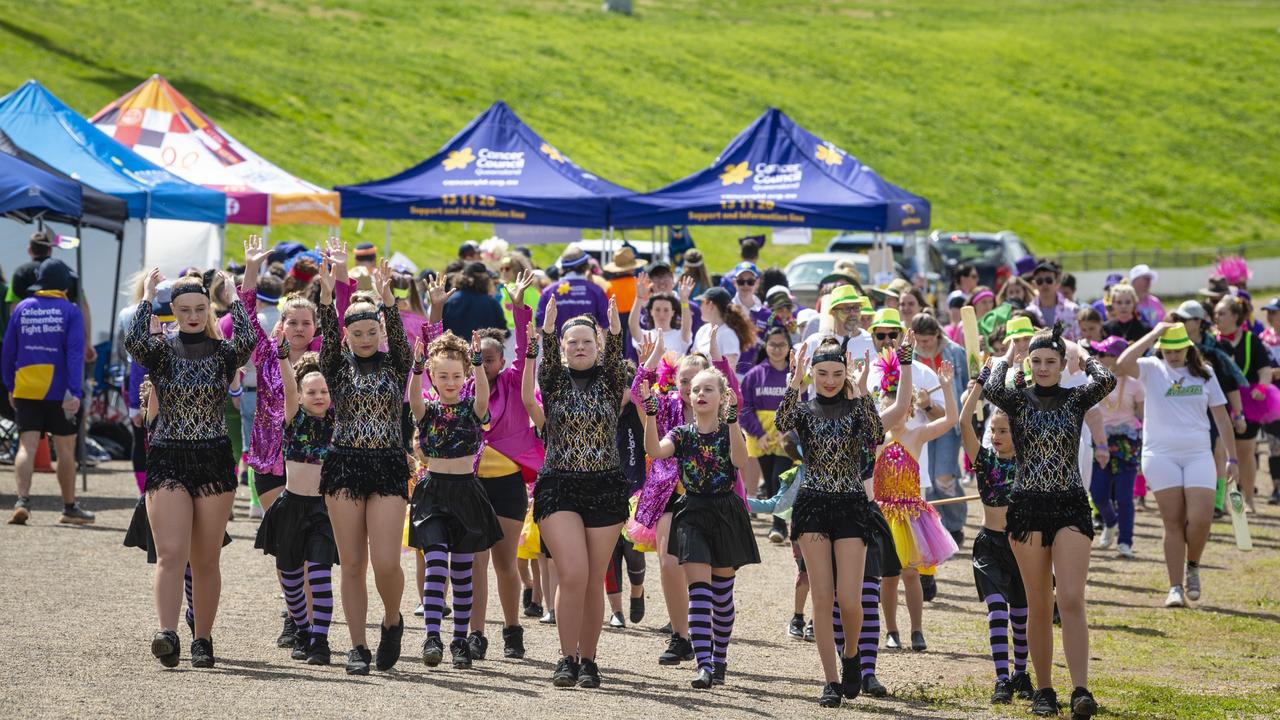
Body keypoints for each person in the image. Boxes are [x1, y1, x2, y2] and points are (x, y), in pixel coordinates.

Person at [126, 256, 256, 668]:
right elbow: (134, 343)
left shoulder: (223, 352)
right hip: (167, 457)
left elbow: (250, 338)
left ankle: (202, 638)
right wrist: (147, 299)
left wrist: (234, 296)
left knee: (205, 558)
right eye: (185, 310)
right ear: (174, 312)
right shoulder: (161, 351)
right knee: (170, 552)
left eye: (200, 309)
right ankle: (166, 633)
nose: (194, 316)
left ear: (209, 310)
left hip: (213, 458)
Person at [982, 324, 1115, 718]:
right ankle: (1044, 690)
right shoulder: (1017, 401)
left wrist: (1080, 351)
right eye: (1036, 361)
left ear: (1062, 365)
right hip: (1026, 509)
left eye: (1050, 362)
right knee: (1038, 602)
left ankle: (1080, 690)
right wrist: (1009, 355)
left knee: (1071, 598)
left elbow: (1105, 378)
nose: (1042, 368)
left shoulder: (1075, 399)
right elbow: (990, 386)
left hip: (1070, 505)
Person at [775, 336, 912, 707]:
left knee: (850, 600)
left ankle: (852, 655)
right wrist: (795, 379)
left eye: (837, 373)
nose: (829, 380)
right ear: (814, 374)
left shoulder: (856, 408)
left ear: (845, 373)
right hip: (814, 508)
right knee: (822, 599)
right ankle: (830, 681)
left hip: (852, 506)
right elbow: (781, 422)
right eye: (822, 373)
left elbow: (875, 434)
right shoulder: (803, 409)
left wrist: (864, 388)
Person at [316, 258, 412, 676]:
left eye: (372, 332)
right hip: (344, 465)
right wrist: (326, 296)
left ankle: (392, 619)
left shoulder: (396, 362)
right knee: (352, 562)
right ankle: (356, 645)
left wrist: (387, 298)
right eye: (358, 333)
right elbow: (325, 341)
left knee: (387, 562)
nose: (366, 338)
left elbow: (406, 347)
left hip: (389, 464)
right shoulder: (336, 365)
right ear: (346, 336)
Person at [639, 367, 759, 689]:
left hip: (724, 512)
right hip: (692, 511)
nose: (701, 394)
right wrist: (650, 413)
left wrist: (733, 422)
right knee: (700, 593)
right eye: (696, 390)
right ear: (689, 397)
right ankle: (703, 665)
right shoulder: (681, 433)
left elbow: (739, 461)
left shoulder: (730, 429)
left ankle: (719, 660)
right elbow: (655, 450)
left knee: (722, 597)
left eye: (709, 390)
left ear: (722, 398)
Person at [532, 294, 630, 688]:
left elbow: (618, 355)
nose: (580, 347)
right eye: (572, 342)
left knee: (593, 579)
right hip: (559, 486)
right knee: (572, 572)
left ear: (599, 345)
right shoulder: (554, 381)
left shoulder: (611, 380)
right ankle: (565, 657)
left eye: (587, 341)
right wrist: (549, 327)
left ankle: (588, 660)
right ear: (563, 348)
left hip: (605, 487)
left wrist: (617, 328)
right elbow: (546, 363)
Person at [631, 328, 742, 667]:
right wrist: (648, 363)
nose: (691, 388)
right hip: (668, 492)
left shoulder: (724, 418)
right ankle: (681, 636)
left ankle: (707, 639)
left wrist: (717, 355)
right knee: (667, 562)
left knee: (714, 579)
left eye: (699, 382)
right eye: (684, 381)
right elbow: (639, 395)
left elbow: (739, 451)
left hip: (713, 500)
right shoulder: (665, 409)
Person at [1117, 323, 1237, 607]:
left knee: (1200, 519)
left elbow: (1221, 418)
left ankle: (1193, 565)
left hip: (1198, 454)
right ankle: (1175, 588)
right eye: (1167, 349)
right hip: (1160, 455)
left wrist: (1232, 458)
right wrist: (1155, 333)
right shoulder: (1150, 368)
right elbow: (1123, 363)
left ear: (1188, 347)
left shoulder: (1205, 374)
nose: (1172, 354)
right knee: (1172, 522)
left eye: (1177, 348)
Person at [407, 329, 503, 670]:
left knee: (463, 573)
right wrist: (417, 367)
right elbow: (414, 398)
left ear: (465, 377)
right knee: (435, 563)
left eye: (456, 375)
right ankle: (432, 636)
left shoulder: (472, 408)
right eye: (443, 375)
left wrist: (477, 362)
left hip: (466, 493)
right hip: (432, 492)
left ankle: (460, 641)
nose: (450, 382)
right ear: (433, 376)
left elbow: (483, 396)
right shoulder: (426, 409)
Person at [466, 271, 543, 660]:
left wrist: (517, 306)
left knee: (505, 563)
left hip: (510, 483)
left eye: (490, 357)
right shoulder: (465, 387)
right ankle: (475, 633)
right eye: (478, 358)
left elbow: (527, 345)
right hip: (473, 486)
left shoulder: (515, 381)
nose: (486, 363)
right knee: (475, 563)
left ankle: (513, 629)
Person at [253, 349, 338, 665]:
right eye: (312, 392)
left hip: (323, 511)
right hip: (290, 507)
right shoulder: (293, 417)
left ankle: (320, 640)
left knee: (319, 574)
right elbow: (288, 387)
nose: (319, 396)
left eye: (324, 391)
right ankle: (302, 629)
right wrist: (283, 358)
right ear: (300, 397)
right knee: (290, 577)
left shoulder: (337, 421)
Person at [872, 351, 959, 653]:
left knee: (911, 573)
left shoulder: (917, 434)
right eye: (888, 405)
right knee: (888, 575)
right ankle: (892, 630)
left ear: (908, 410)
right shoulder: (877, 441)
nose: (894, 410)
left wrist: (946, 387)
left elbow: (950, 420)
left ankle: (917, 630)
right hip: (883, 514)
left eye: (902, 405)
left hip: (909, 513)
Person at [959, 367, 1033, 704]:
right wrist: (978, 386)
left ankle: (1021, 673)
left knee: (1021, 614)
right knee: (997, 610)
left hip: (1024, 546)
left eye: (1004, 430)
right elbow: (963, 425)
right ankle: (1001, 678)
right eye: (993, 430)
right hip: (989, 545)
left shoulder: (1031, 463)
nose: (997, 436)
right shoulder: (985, 461)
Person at [3, 258, 91, 525]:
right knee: (65, 448)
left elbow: (8, 351)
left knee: (26, 446)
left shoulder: (22, 308)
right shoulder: (70, 311)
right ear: (64, 284)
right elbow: (75, 354)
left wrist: (10, 385)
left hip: (27, 386)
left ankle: (22, 501)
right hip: (60, 389)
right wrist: (75, 392)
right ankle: (69, 507)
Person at [911, 314, 970, 544]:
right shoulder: (911, 355)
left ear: (937, 334)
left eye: (927, 341)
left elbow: (966, 381)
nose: (924, 346)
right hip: (920, 423)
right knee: (928, 479)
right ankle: (940, 528)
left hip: (948, 422)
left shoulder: (954, 352)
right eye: (919, 341)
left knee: (943, 478)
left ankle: (955, 525)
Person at [1213, 295, 1275, 512]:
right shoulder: (1212, 341)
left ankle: (1248, 499)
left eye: (1221, 313)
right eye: (1216, 313)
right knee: (1219, 452)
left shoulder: (1251, 340)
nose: (1216, 317)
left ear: (1236, 316)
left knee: (1246, 451)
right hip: (1218, 402)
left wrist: (1261, 387)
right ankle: (1221, 501)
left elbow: (1264, 370)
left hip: (1248, 403)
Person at [1086, 336, 1144, 558]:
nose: (1098, 357)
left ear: (1117, 357)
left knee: (1124, 496)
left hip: (1126, 442)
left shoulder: (1134, 383)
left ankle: (1125, 541)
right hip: (1100, 441)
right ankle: (1110, 521)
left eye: (1103, 354)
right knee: (1098, 493)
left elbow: (1142, 415)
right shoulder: (1093, 381)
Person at [740, 326, 794, 542]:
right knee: (771, 483)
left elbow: (804, 404)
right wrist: (759, 434)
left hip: (786, 439)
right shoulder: (754, 374)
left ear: (789, 346)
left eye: (782, 344)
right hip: (761, 439)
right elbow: (744, 409)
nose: (777, 349)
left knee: (778, 479)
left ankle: (779, 526)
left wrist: (789, 432)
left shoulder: (796, 374)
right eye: (773, 344)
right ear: (766, 346)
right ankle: (778, 524)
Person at [536, 245, 609, 335]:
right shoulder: (596, 291)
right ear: (586, 266)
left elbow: (539, 328)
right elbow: (606, 326)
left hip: (557, 347)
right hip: (587, 347)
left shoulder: (548, 292)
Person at [694, 287, 757, 375]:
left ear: (711, 305)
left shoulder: (728, 335)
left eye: (702, 303)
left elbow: (729, 373)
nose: (699, 307)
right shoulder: (702, 330)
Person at [629, 272, 694, 356]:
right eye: (657, 309)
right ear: (651, 312)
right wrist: (639, 297)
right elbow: (633, 326)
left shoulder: (680, 336)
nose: (661, 314)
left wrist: (684, 300)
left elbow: (687, 326)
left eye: (666, 310)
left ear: (672, 313)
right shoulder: (645, 336)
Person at [442, 262, 506, 341]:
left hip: (455, 350)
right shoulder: (492, 303)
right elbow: (504, 333)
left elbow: (440, 330)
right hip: (483, 351)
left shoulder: (450, 301)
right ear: (485, 280)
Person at [1029, 261, 1079, 340]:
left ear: (1057, 283)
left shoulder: (1072, 309)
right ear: (1034, 285)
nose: (1044, 284)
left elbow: (1079, 339)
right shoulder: (1029, 312)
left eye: (1049, 280)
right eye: (1039, 281)